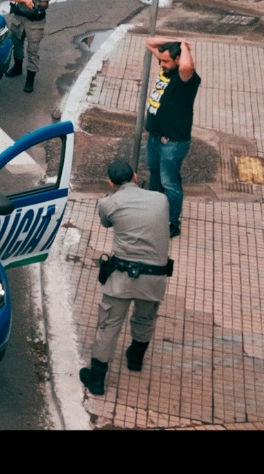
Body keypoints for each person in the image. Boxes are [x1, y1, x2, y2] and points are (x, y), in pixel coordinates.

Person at [78, 159, 172, 396]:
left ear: (110, 182)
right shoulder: (161, 199)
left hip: (122, 278)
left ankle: (97, 380)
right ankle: (135, 359)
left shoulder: (108, 203)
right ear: (135, 176)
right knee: (145, 318)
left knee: (109, 323)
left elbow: (107, 223)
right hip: (155, 278)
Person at [143, 35, 200, 239]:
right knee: (155, 176)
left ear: (178, 59)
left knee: (170, 183)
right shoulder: (168, 67)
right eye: (160, 61)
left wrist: (184, 47)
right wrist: (177, 39)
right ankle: (153, 213)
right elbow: (150, 41)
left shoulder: (186, 78)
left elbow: (187, 66)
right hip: (155, 137)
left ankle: (172, 223)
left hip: (172, 142)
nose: (161, 64)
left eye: (166, 61)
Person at [5, 0, 51, 94]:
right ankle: (17, 67)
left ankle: (30, 80)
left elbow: (45, 4)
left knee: (33, 51)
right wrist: (25, 0)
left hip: (34, 22)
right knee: (17, 44)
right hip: (19, 19)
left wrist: (37, 4)